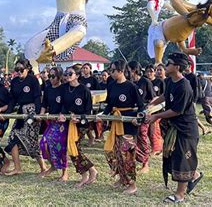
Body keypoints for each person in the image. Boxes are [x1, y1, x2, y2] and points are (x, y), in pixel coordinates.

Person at [146, 52, 202, 203]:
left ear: (177, 67)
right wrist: (152, 103)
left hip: (185, 130)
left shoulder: (184, 86)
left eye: (168, 63)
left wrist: (156, 116)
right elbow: (165, 96)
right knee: (172, 157)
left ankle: (180, 195)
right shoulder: (171, 80)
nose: (165, 65)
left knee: (182, 159)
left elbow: (176, 111)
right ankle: (195, 174)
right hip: (175, 127)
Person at [147, 0, 212, 65]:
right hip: (162, 30)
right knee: (159, 44)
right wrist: (186, 14)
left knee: (181, 39)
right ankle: (158, 62)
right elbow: (173, 0)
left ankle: (185, 50)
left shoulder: (207, 18)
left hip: (179, 37)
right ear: (210, 6)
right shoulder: (196, 9)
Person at [102, 60, 145, 194]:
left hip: (128, 123)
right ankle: (122, 177)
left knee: (127, 155)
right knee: (112, 152)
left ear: (121, 71)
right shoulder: (111, 85)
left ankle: (132, 184)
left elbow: (141, 106)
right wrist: (104, 116)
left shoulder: (131, 87)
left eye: (113, 70)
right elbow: (109, 104)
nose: (111, 72)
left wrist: (137, 118)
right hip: (116, 122)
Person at [4, 59, 47, 175]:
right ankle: (17, 168)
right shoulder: (14, 82)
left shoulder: (33, 80)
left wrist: (37, 113)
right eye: (16, 70)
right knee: (12, 138)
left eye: (21, 69)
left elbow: (37, 97)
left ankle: (43, 167)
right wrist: (7, 113)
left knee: (31, 141)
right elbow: (12, 99)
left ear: (27, 69)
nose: (19, 72)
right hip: (20, 113)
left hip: (32, 112)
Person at [59, 65, 98, 187]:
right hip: (69, 122)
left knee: (75, 148)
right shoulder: (64, 88)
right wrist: (62, 114)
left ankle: (86, 173)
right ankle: (91, 171)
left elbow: (88, 111)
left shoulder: (84, 90)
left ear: (77, 75)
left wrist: (79, 118)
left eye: (70, 73)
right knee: (71, 149)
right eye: (66, 73)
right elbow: (63, 105)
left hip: (81, 123)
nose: (67, 76)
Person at [39, 67, 69, 181]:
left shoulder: (64, 88)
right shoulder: (48, 89)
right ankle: (53, 165)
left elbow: (67, 104)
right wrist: (41, 114)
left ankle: (65, 172)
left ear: (60, 76)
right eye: (49, 76)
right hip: (51, 121)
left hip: (62, 122)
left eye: (53, 76)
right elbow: (44, 104)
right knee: (44, 143)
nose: (51, 78)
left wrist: (62, 114)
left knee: (61, 146)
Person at [128, 61, 156, 174]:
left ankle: (146, 164)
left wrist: (146, 110)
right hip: (130, 114)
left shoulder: (145, 82)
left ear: (134, 70)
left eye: (128, 69)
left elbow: (153, 98)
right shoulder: (129, 83)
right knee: (131, 138)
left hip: (143, 113)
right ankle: (133, 160)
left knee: (142, 137)